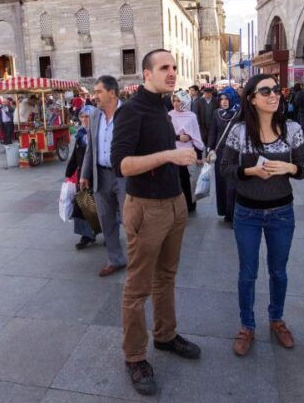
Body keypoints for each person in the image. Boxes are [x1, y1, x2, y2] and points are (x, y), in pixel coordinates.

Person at [111, 49, 201, 396]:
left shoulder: (163, 106)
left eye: (175, 67)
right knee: (137, 288)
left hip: (175, 203)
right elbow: (122, 164)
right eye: (164, 68)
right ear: (146, 74)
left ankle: (165, 336)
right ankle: (135, 356)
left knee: (167, 276)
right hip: (147, 208)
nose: (172, 73)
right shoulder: (131, 110)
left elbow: (155, 147)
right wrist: (169, 155)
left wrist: (177, 144)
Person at [219, 74, 304, 357]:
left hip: (282, 212)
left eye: (276, 90)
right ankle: (247, 325)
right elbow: (225, 168)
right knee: (247, 273)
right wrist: (250, 171)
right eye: (265, 90)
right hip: (246, 212)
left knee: (278, 272)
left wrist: (289, 169)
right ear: (252, 98)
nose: (274, 95)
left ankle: (277, 320)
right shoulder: (240, 131)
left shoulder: (292, 128)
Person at [79, 75, 128, 274]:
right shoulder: (94, 115)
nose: (95, 96)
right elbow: (91, 147)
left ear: (112, 93)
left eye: (98, 92)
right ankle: (115, 259)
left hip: (124, 176)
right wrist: (84, 174)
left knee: (131, 220)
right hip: (101, 175)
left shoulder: (128, 113)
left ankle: (139, 260)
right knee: (106, 220)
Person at [207, 86, 241, 222]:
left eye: (227, 99)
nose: (224, 102)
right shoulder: (217, 113)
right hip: (220, 153)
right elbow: (212, 132)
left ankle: (235, 215)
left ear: (232, 99)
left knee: (233, 184)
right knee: (221, 184)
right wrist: (210, 148)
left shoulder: (239, 113)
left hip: (235, 154)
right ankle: (226, 212)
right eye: (222, 99)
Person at [168, 90, 205, 213]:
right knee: (175, 181)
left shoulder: (191, 116)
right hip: (174, 153)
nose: (176, 103)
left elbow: (196, 135)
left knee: (188, 181)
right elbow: (165, 134)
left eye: (179, 101)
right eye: (174, 100)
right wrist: (178, 137)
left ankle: (190, 204)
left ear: (185, 101)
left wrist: (199, 156)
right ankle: (178, 205)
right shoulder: (169, 115)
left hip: (188, 153)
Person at [67, 106, 99, 249]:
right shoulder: (80, 134)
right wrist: (69, 173)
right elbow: (75, 155)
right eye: (82, 116)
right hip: (83, 176)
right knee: (82, 205)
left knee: (102, 206)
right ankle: (87, 235)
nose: (85, 119)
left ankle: (110, 232)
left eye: (88, 116)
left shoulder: (99, 133)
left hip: (99, 175)